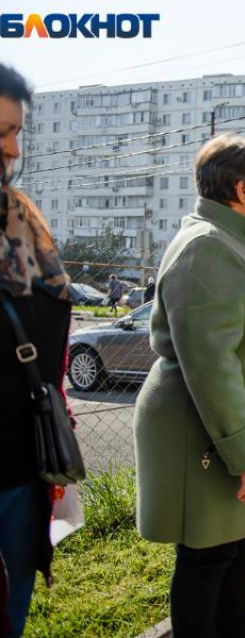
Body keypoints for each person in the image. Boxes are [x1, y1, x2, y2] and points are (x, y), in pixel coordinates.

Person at [134, 134, 245, 637]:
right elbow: (210, 363)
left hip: (242, 428)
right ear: (240, 188)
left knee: (237, 553)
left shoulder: (230, 240)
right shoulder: (208, 246)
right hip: (211, 432)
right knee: (209, 556)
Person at [0, 64, 72, 638]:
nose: (13, 149)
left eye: (16, 132)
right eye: (0, 131)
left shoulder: (22, 218)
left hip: (23, 470)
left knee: (10, 612)